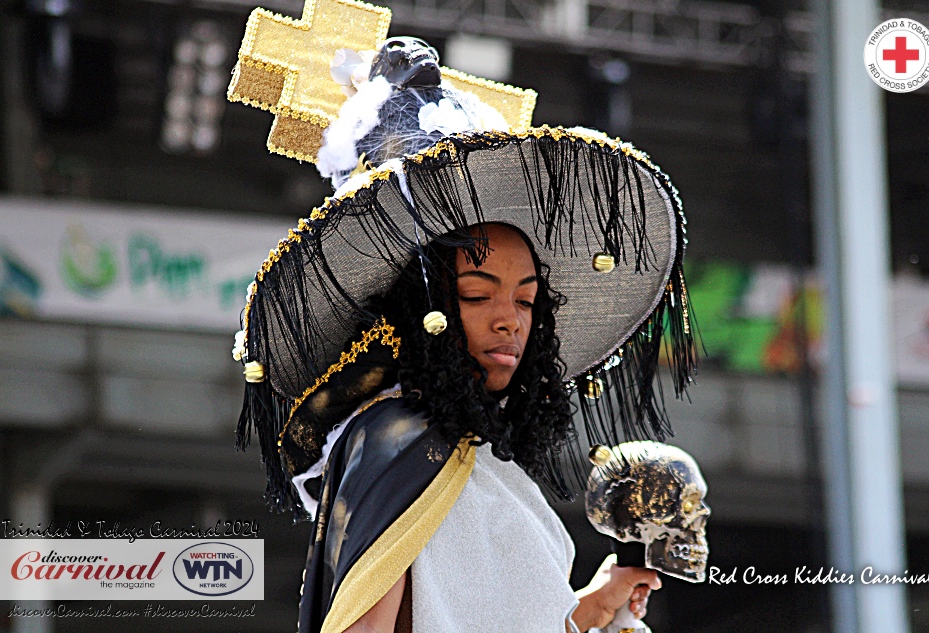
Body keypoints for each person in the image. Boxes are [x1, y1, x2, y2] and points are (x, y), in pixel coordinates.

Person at [228, 14, 696, 633]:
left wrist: (588, 612)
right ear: (422, 309)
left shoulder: (479, 458)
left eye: (527, 302)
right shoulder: (397, 441)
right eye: (478, 295)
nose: (510, 323)